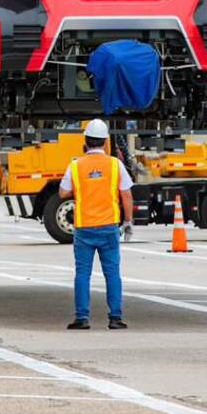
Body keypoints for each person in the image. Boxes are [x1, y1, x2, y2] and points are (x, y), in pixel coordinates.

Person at [57, 119, 133, 331]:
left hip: (84, 228)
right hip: (109, 227)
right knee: (112, 273)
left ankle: (82, 318)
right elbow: (126, 194)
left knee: (82, 274)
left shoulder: (75, 165)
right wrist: (128, 221)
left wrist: (82, 188)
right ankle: (115, 318)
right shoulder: (115, 165)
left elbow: (62, 193)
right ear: (105, 141)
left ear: (86, 141)